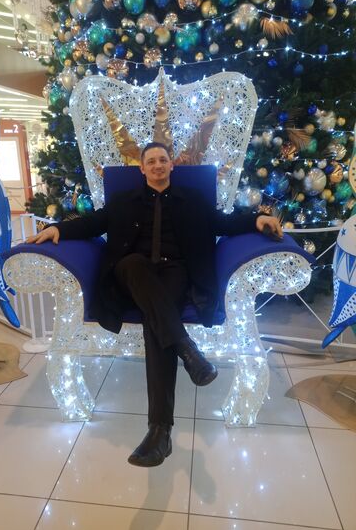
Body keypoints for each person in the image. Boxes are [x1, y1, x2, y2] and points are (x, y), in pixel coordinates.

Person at [27, 142, 283, 467]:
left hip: (174, 272)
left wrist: (257, 220)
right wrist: (57, 229)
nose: (158, 165)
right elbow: (92, 223)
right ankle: (188, 351)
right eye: (152, 161)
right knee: (134, 264)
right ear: (142, 168)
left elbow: (223, 222)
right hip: (130, 275)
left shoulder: (193, 200)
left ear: (171, 165)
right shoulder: (123, 201)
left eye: (163, 160)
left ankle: (160, 431)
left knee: (157, 320)